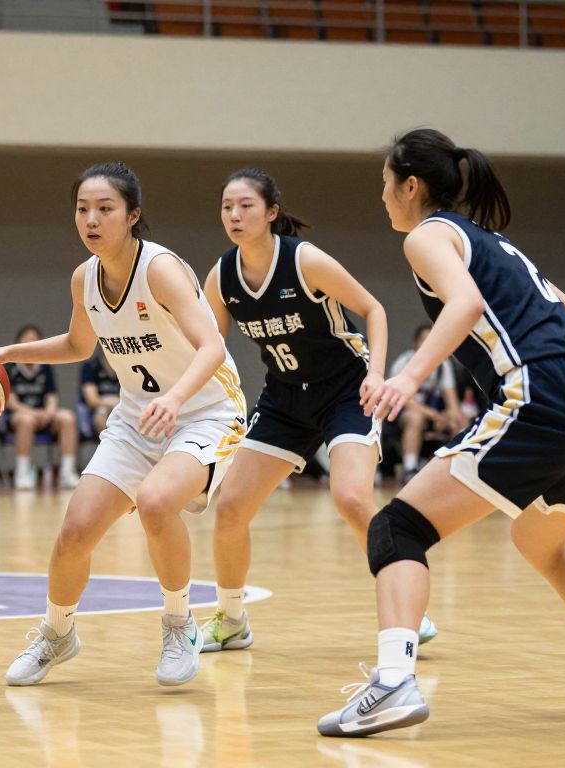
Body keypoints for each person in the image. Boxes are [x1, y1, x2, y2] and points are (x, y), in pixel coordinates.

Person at [318, 128, 565, 737]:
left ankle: (392, 683)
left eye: (385, 184)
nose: (382, 196)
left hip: (541, 395)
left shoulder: (428, 235)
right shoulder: (491, 242)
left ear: (410, 185)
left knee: (397, 526)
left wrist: (408, 378)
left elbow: (463, 305)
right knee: (541, 545)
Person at [0, 162, 246, 687]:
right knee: (75, 531)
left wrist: (178, 398)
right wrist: (4, 353)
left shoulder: (159, 270)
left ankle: (180, 625)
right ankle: (58, 634)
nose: (91, 219)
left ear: (132, 216)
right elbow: (77, 346)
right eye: (83, 209)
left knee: (157, 503)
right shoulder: (83, 278)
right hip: (138, 417)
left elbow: (213, 346)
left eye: (105, 208)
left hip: (206, 409)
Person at [200, 167, 437, 655]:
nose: (234, 215)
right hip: (285, 398)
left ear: (271, 213)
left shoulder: (305, 261)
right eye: (227, 206)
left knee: (351, 498)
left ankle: (410, 605)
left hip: (346, 390)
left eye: (245, 205)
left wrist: (375, 373)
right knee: (229, 509)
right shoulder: (222, 276)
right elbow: (207, 348)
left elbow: (374, 309)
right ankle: (231, 620)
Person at [3, 325, 81, 490]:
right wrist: (35, 413)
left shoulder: (45, 367)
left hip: (43, 416)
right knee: (26, 420)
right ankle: (22, 472)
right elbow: (12, 402)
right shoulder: (10, 368)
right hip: (19, 417)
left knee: (67, 418)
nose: (31, 343)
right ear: (18, 344)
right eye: (27, 340)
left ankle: (67, 471)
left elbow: (52, 397)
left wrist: (49, 412)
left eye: (35, 340)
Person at [389, 323, 466, 481]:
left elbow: (451, 399)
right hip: (402, 412)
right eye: (424, 339)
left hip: (432, 414)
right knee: (415, 418)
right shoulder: (403, 362)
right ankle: (410, 469)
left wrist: (451, 414)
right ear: (416, 342)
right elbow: (401, 400)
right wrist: (434, 415)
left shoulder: (443, 364)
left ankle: (460, 470)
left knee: (458, 421)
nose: (428, 343)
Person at [78, 349, 121, 439]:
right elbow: (93, 400)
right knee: (101, 413)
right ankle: (108, 447)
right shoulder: (91, 366)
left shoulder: (126, 367)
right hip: (96, 411)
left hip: (122, 408)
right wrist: (111, 402)